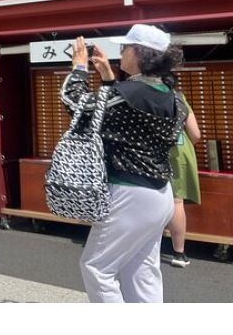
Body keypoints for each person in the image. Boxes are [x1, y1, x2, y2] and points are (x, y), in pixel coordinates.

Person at [61, 24, 188, 303]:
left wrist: (80, 68)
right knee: (142, 269)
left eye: (125, 48)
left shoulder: (127, 93)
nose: (121, 53)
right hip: (159, 193)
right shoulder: (173, 96)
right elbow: (122, 108)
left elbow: (77, 104)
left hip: (128, 191)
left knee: (97, 267)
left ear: (139, 54)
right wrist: (108, 78)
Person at [167, 93, 202, 268]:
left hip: (149, 152)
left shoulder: (141, 93)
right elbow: (195, 134)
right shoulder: (178, 97)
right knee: (176, 200)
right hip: (178, 151)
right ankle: (178, 253)